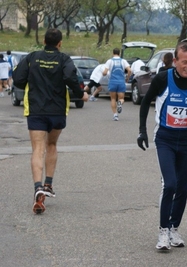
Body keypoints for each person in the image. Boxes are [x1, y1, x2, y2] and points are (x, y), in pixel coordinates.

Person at [137, 42, 187, 251]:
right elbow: (145, 102)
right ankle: (163, 231)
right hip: (165, 138)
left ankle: (174, 228)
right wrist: (142, 130)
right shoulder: (163, 78)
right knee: (169, 184)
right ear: (175, 61)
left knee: (184, 187)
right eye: (185, 62)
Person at [12, 28, 89, 214]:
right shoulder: (64, 59)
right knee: (52, 145)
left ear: (44, 41)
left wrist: (28, 84)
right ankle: (48, 185)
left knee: (38, 149)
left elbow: (18, 78)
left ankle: (37, 186)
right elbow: (72, 78)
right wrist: (81, 95)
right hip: (57, 110)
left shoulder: (32, 57)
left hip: (36, 110)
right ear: (60, 43)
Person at [103, 48, 131, 121]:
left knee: (113, 98)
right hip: (121, 81)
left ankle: (115, 115)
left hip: (112, 82)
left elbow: (105, 72)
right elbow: (130, 70)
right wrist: (127, 78)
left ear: (113, 53)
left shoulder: (109, 61)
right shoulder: (123, 61)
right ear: (119, 53)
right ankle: (120, 103)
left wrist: (103, 73)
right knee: (121, 98)